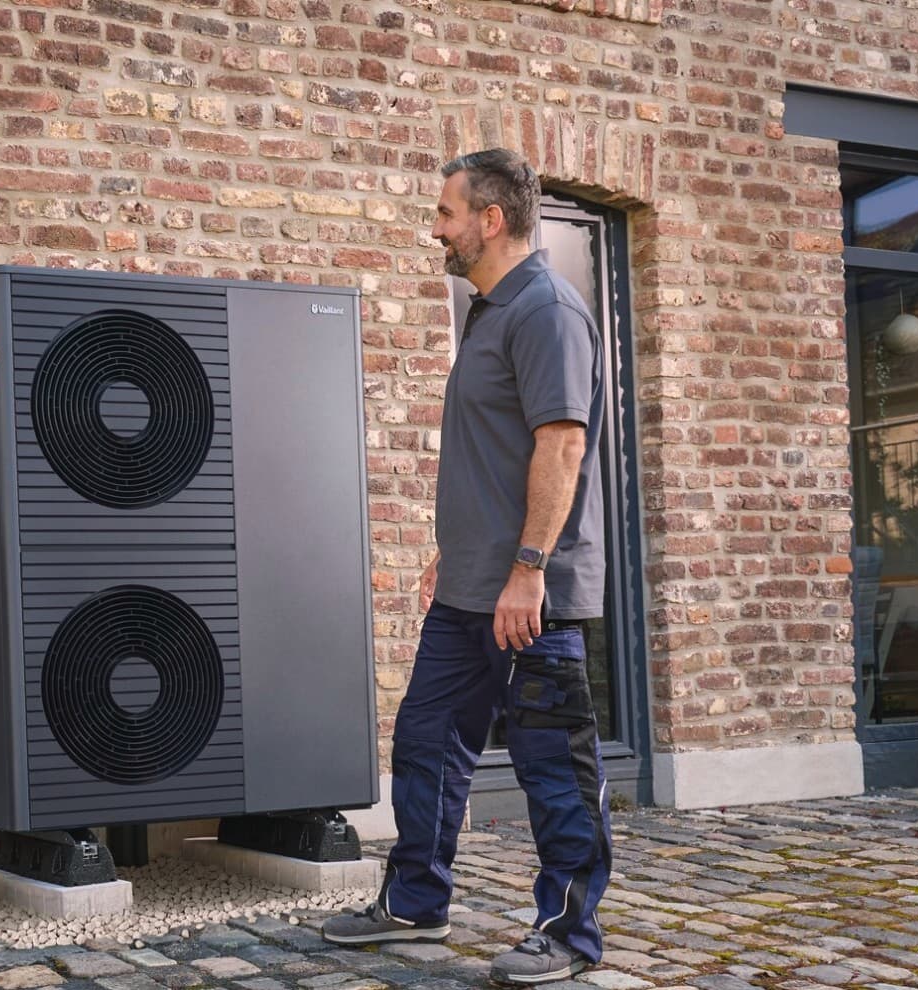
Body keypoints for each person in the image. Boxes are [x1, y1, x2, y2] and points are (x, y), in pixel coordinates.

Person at [323, 149, 612, 986]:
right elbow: (498, 451)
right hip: (468, 590)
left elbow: (562, 443)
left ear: (491, 220)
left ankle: (567, 935)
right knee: (424, 741)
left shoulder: (548, 311)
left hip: (531, 596)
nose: (437, 227)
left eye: (447, 212)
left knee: (552, 765)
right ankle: (416, 903)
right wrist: (458, 554)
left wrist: (527, 568)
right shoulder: (489, 310)